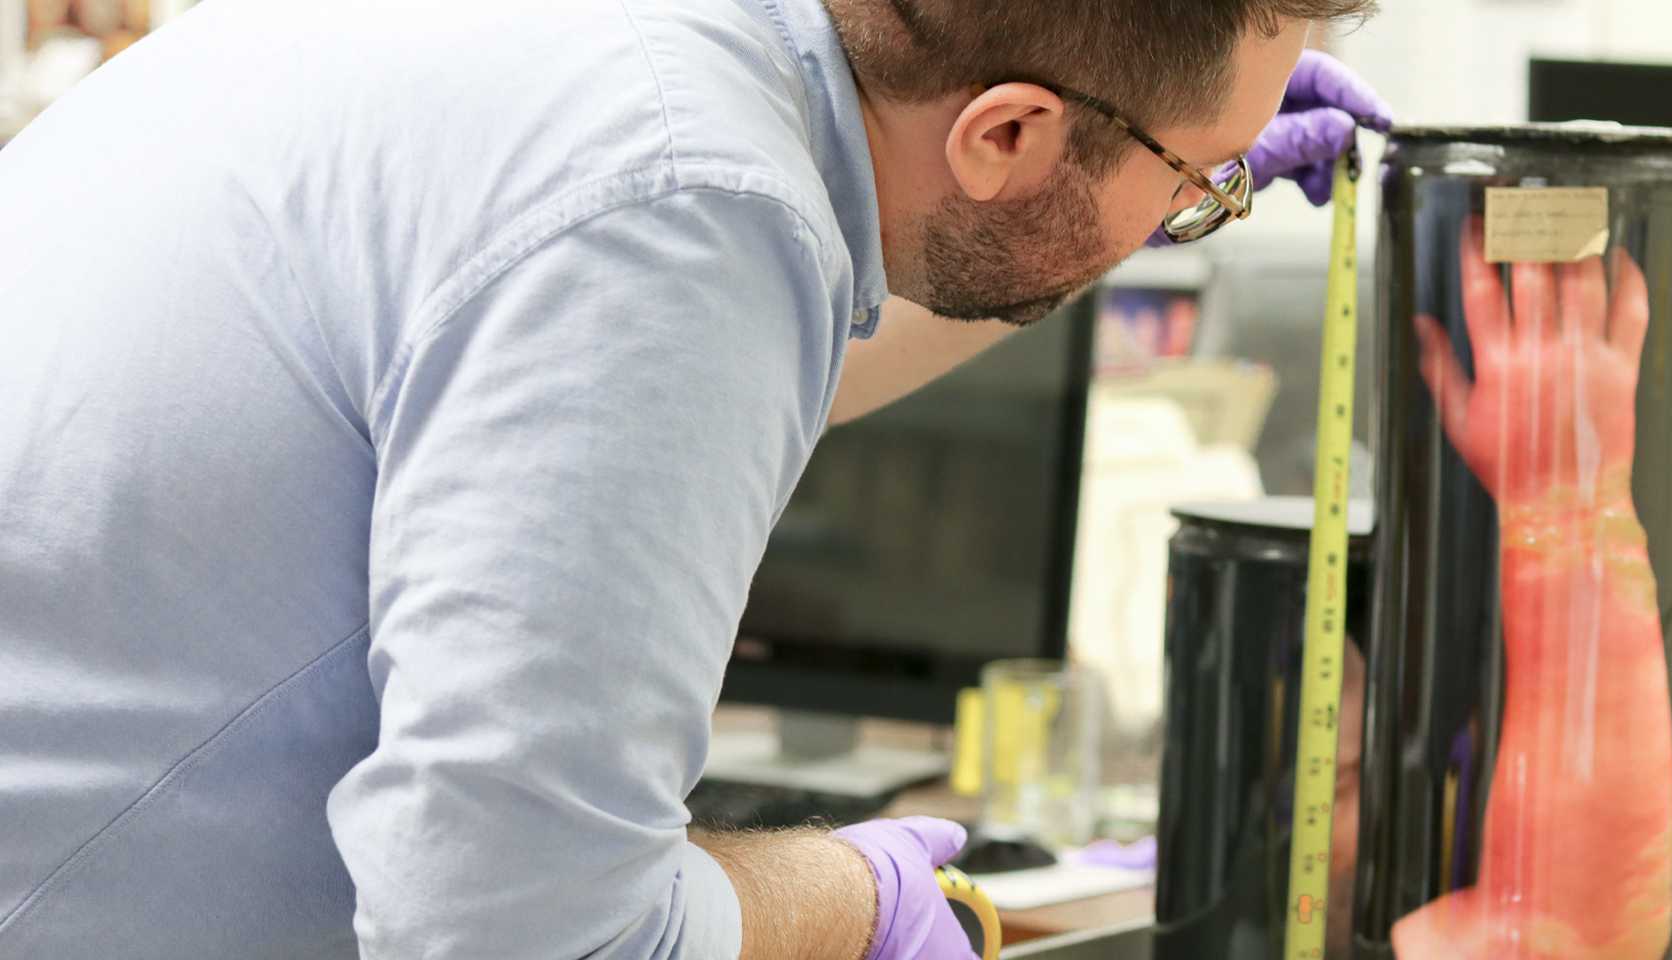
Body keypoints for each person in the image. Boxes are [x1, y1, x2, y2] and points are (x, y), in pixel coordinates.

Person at [0, 0, 1387, 956]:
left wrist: (1112, 211)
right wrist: (857, 892)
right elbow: (521, 933)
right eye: (1202, 181)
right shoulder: (686, 203)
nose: (1206, 203)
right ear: (1009, 136)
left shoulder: (647, 66)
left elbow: (711, 388)